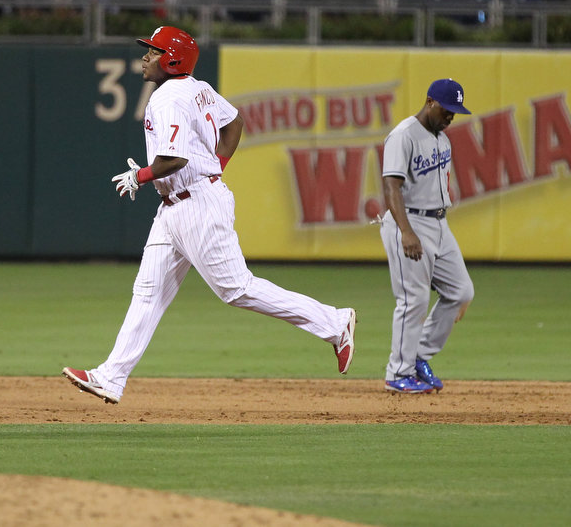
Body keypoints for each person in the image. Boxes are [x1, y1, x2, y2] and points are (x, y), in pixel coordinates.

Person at [62, 27, 357, 404]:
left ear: (171, 58)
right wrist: (216, 166)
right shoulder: (196, 87)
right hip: (176, 207)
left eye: (153, 51)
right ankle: (111, 377)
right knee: (147, 294)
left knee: (236, 288)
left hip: (196, 204)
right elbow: (234, 122)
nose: (145, 57)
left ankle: (334, 323)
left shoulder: (168, 96)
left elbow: (175, 159)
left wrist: (142, 175)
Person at [379, 79, 475, 394]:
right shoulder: (403, 135)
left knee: (461, 291)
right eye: (447, 110)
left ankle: (418, 354)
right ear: (430, 101)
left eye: (455, 112)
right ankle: (398, 372)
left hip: (438, 223)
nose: (450, 117)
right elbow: (391, 186)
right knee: (413, 300)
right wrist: (406, 231)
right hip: (410, 223)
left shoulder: (442, 139)